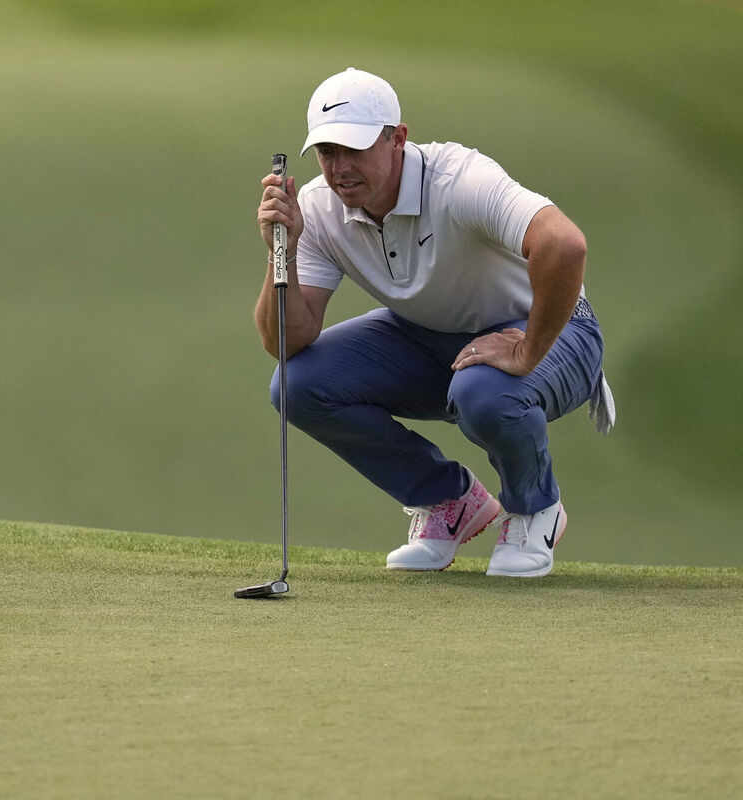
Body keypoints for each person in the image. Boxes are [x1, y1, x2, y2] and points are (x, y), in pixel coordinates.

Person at [254, 68, 614, 578]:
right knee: (298, 383)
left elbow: (564, 244)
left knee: (484, 394)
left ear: (398, 138)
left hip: (554, 332)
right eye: (328, 152)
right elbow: (287, 342)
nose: (340, 167)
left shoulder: (460, 180)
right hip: (430, 336)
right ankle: (449, 503)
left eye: (355, 149)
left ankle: (535, 509)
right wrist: (279, 255)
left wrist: (529, 349)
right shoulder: (315, 209)